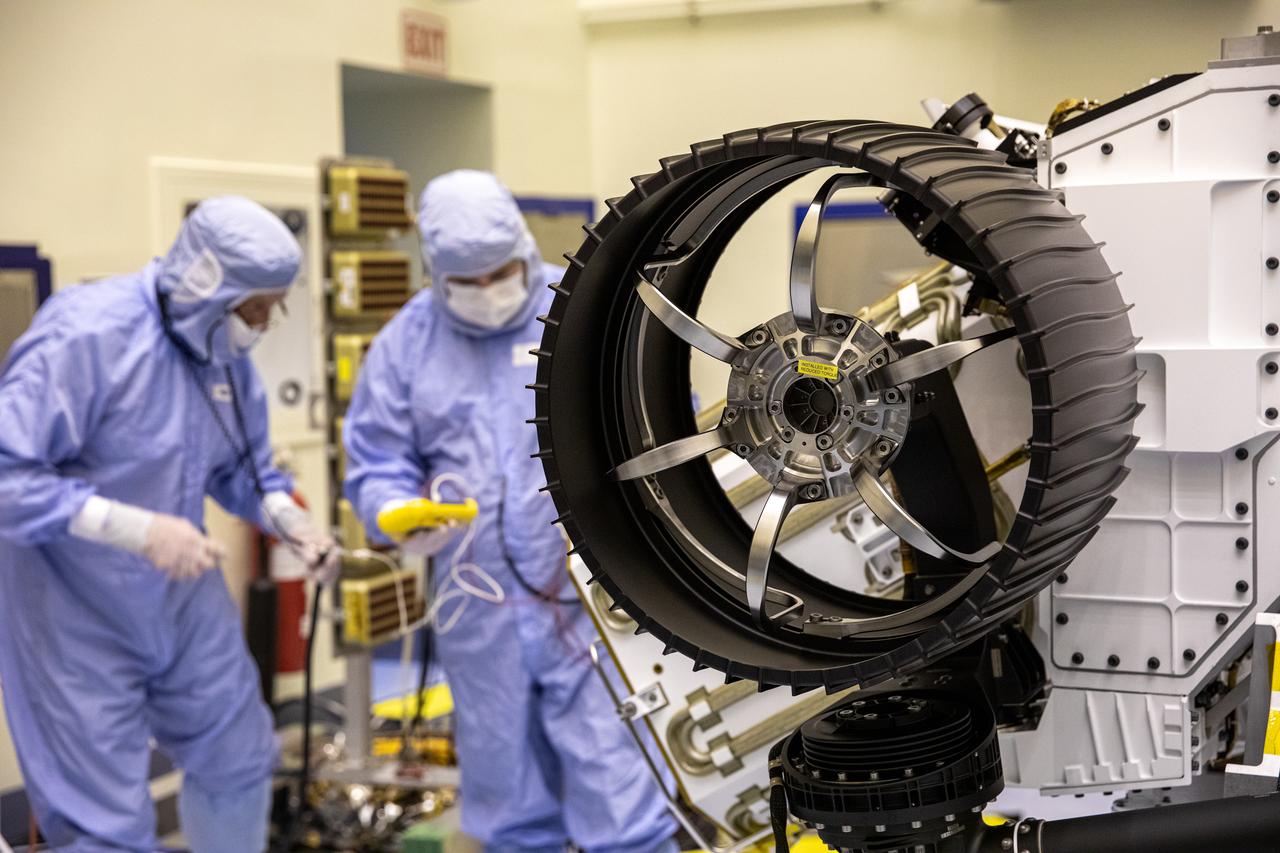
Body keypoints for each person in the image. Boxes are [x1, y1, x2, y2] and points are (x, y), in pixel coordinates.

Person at [344, 170, 678, 853]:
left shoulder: (583, 315)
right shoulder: (406, 345)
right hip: (479, 611)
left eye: (500, 272)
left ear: (524, 250)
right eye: (469, 280)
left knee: (622, 795)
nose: (489, 290)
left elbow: (656, 431)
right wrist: (397, 509)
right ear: (436, 273)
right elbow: (375, 460)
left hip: (592, 598)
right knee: (508, 806)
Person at [0, 196, 337, 852]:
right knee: (106, 825)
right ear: (208, 286)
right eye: (257, 308)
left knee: (240, 756)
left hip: (181, 597)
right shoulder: (85, 336)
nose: (266, 325)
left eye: (277, 306)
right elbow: (8, 474)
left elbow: (245, 470)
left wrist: (295, 523)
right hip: (72, 609)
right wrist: (137, 529)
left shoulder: (222, 352)